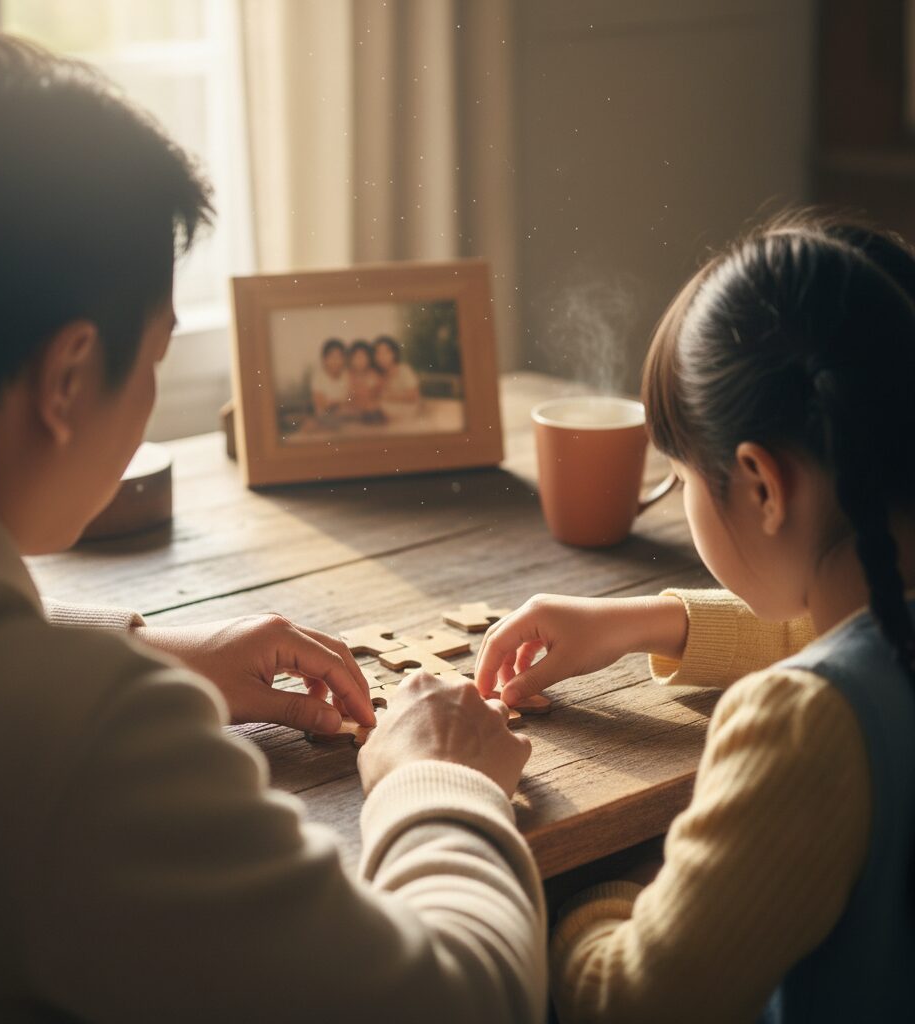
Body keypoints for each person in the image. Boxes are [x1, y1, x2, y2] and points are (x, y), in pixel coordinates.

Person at [0, 34, 546, 1022]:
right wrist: (440, 782)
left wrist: (147, 648)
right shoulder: (87, 741)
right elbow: (467, 1002)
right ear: (69, 380)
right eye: (155, 354)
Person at [476, 213, 915, 1022]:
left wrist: (599, 891)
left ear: (760, 486)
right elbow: (851, 637)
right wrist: (650, 622)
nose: (680, 496)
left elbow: (627, 1001)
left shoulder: (803, 729)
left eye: (679, 475)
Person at [373, 334, 421, 420]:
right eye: (378, 353)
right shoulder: (377, 374)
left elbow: (413, 395)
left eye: (386, 352)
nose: (382, 357)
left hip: (407, 416)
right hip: (387, 416)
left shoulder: (404, 370)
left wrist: (386, 396)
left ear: (394, 353)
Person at [345, 338, 384, 422]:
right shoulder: (348, 375)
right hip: (352, 414)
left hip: (371, 414)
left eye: (363, 356)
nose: (360, 360)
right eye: (356, 357)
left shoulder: (374, 375)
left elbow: (379, 397)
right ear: (350, 359)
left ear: (369, 359)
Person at [309, 337, 349, 417]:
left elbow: (351, 401)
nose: (335, 361)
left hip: (346, 417)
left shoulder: (347, 375)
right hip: (325, 418)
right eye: (332, 357)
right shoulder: (319, 377)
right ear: (324, 359)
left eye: (339, 357)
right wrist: (339, 404)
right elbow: (320, 403)